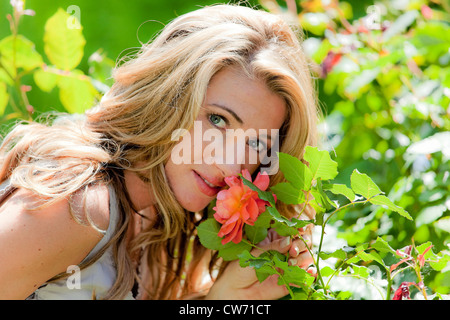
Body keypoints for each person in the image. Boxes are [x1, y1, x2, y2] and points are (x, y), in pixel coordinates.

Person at [0, 4, 319, 300]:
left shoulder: (157, 221)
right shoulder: (80, 209)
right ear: (168, 93)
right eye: (217, 120)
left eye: (256, 143)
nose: (229, 165)